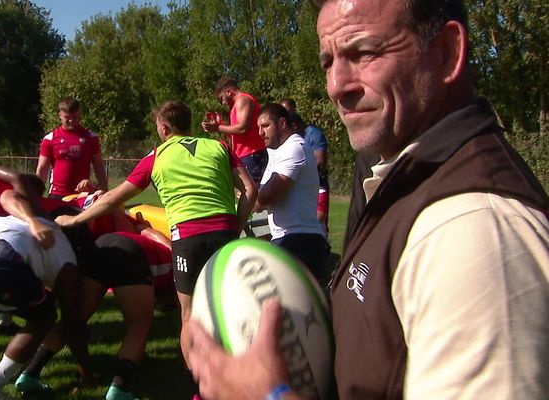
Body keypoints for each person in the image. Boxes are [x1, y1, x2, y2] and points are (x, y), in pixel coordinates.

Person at [187, 1, 549, 399]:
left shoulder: (475, 230)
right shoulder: (397, 176)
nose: (337, 85)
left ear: (446, 52)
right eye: (328, 61)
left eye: (364, 52)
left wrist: (268, 394)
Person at [54, 100, 257, 389]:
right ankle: (240, 377)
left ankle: (199, 387)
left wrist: (75, 221)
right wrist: (235, 226)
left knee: (189, 317)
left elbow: (113, 198)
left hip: (188, 237)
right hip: (225, 234)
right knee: (225, 309)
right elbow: (250, 189)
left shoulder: (157, 155)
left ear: (163, 128)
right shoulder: (221, 147)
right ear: (189, 124)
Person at [0, 195, 89, 400]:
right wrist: (86, 369)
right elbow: (71, 319)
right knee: (44, 317)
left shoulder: (20, 218)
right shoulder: (65, 251)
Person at [15, 226, 172, 400]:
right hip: (129, 253)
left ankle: (30, 373)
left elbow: (146, 231)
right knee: (139, 325)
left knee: (74, 319)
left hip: (104, 243)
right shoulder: (172, 270)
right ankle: (119, 388)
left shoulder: (167, 252)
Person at [254, 103, 329, 281]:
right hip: (288, 238)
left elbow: (266, 196)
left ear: (282, 124)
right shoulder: (278, 151)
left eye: (265, 126)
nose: (260, 133)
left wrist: (252, 199)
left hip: (299, 241)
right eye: (258, 128)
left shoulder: (294, 148)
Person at [36, 97, 108, 199]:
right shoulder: (50, 139)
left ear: (79, 114)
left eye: (75, 117)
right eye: (67, 117)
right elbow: (42, 169)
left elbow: (99, 166)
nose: (71, 120)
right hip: (57, 195)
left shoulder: (91, 138)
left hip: (82, 195)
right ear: (60, 115)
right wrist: (36, 194)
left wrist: (104, 189)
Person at [201, 77, 267, 184]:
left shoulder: (242, 100)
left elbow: (242, 128)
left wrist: (217, 128)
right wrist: (220, 125)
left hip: (252, 153)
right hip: (247, 154)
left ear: (228, 92)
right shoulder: (237, 104)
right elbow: (237, 134)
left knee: (252, 193)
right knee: (248, 192)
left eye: (221, 98)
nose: (222, 102)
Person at [281, 99, 331, 235]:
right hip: (297, 189)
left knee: (318, 220)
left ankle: (322, 246)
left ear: (295, 125)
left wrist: (301, 175)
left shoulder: (313, 134)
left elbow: (320, 162)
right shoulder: (288, 139)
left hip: (318, 186)